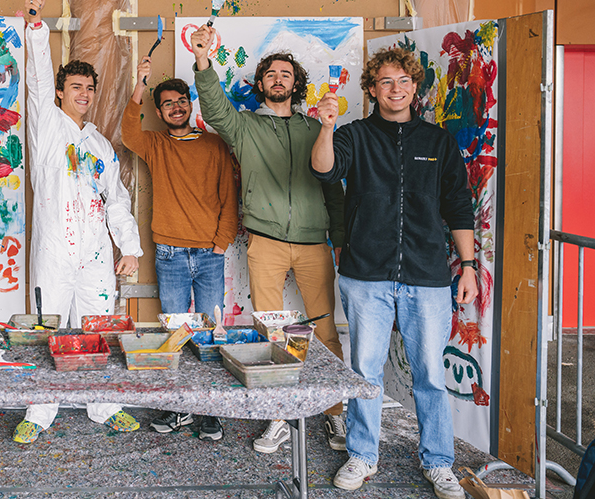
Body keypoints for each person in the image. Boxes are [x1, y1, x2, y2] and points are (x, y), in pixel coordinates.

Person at [311, 47, 478, 499]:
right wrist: (325, 128)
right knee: (365, 372)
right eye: (386, 82)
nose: (396, 89)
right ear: (371, 89)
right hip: (366, 276)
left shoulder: (438, 142)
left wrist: (468, 266)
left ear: (415, 88)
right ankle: (363, 454)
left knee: (428, 373)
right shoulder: (353, 134)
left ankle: (439, 462)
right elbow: (324, 168)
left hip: (427, 277)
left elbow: (458, 206)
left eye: (404, 81)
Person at [190, 25, 347, 453]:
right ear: (260, 84)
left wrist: (340, 239)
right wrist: (203, 60)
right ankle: (278, 417)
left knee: (325, 330)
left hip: (315, 243)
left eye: (286, 74)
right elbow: (216, 108)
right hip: (266, 243)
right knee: (271, 334)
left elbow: (333, 186)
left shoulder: (316, 129)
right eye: (271, 74)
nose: (279, 79)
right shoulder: (244, 128)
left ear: (296, 85)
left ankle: (335, 415)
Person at [14, 0, 143, 445]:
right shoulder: (47, 128)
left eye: (89, 89)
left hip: (94, 257)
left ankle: (104, 404)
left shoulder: (101, 146)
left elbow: (117, 200)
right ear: (63, 92)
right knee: (48, 328)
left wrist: (129, 247)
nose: (84, 95)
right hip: (53, 251)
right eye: (76, 88)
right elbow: (36, 83)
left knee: (97, 331)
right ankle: (40, 409)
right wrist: (35, 27)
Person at [121, 59, 238, 441]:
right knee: (174, 337)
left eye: (181, 100)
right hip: (169, 254)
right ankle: (178, 409)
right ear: (159, 111)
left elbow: (228, 198)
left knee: (208, 338)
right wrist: (140, 83)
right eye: (168, 103)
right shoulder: (155, 144)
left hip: (208, 255)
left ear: (191, 105)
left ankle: (210, 411)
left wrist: (219, 245)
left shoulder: (214, 145)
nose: (176, 107)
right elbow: (127, 131)